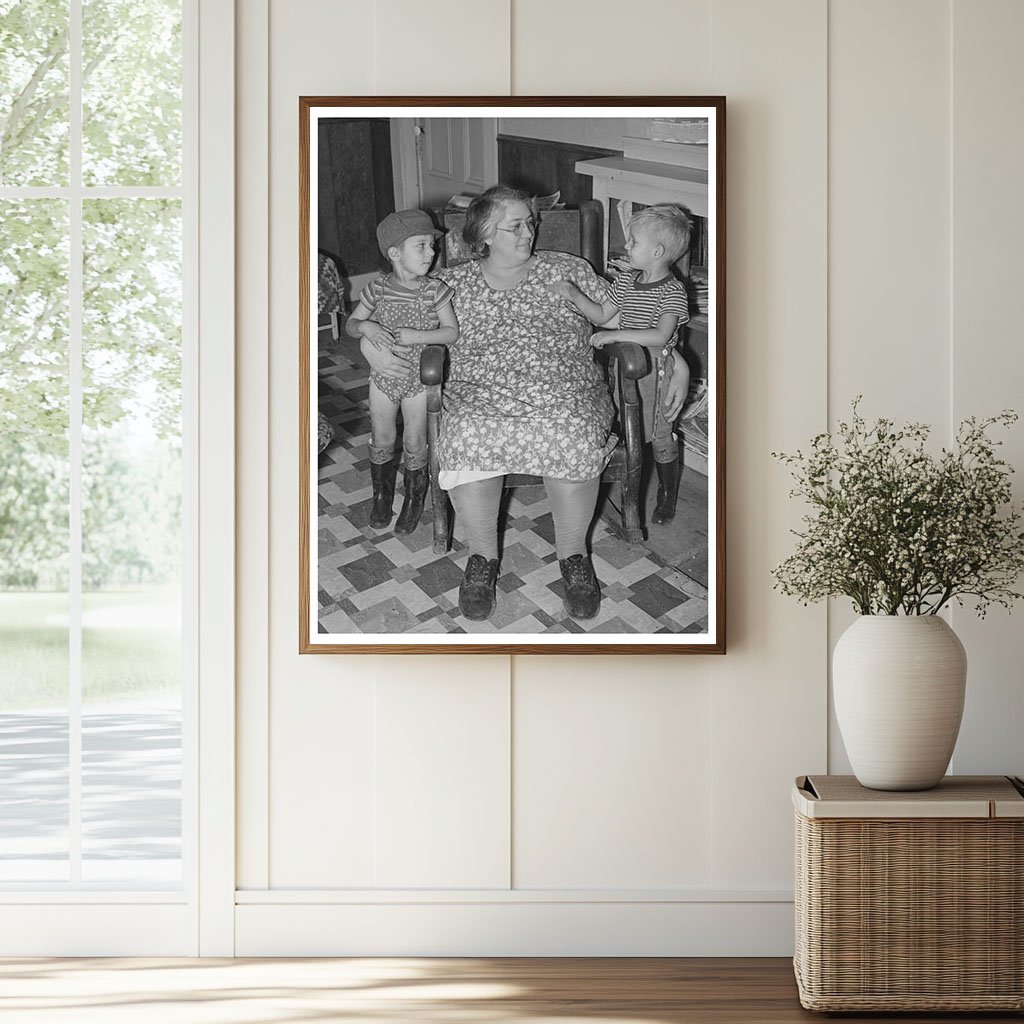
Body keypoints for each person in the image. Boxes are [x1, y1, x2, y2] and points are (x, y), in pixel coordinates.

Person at [396, 185, 688, 625]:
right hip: (480, 390)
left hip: (564, 387)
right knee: (467, 433)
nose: (528, 232)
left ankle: (573, 556)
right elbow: (395, 323)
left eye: (530, 223)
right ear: (485, 233)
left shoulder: (567, 268)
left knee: (572, 432)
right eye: (515, 226)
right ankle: (482, 558)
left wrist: (677, 359)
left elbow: (624, 317)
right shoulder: (451, 285)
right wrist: (373, 344)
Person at [551, 203, 692, 525]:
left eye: (633, 242)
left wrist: (616, 335)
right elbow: (602, 315)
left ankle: (667, 495)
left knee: (659, 433)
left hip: (657, 371)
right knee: (626, 425)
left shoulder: (673, 291)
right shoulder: (627, 281)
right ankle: (625, 479)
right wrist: (574, 295)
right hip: (624, 365)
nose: (627, 246)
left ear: (657, 252)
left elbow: (661, 336)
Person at [346, 209, 459, 533]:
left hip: (418, 380)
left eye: (432, 246)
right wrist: (365, 326)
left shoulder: (435, 290)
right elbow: (352, 324)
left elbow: (451, 332)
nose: (431, 252)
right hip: (383, 378)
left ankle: (413, 497)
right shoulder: (376, 289)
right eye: (421, 246)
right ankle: (381, 496)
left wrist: (418, 337)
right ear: (395, 253)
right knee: (382, 435)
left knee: (414, 439)